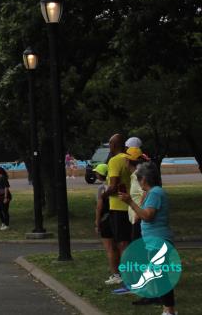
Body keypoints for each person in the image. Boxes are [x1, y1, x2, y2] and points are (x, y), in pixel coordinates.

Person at [120, 160, 176, 312]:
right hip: (154, 240)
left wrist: (130, 202)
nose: (138, 182)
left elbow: (148, 216)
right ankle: (167, 309)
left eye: (138, 179)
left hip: (159, 240)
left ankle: (169, 310)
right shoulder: (153, 193)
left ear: (144, 179)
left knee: (161, 277)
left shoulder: (155, 193)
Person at [102, 133, 133, 285]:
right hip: (130, 206)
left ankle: (127, 277)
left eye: (110, 144)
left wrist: (103, 195)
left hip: (118, 207)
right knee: (126, 241)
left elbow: (113, 186)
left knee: (122, 243)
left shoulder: (114, 161)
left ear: (113, 145)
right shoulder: (129, 159)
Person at [92, 163, 115, 281]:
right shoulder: (114, 186)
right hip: (116, 216)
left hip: (105, 219)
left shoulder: (101, 189)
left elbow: (99, 207)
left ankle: (115, 273)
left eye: (97, 172)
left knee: (109, 249)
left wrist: (97, 222)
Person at [0, 166, 12, 230]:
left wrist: (5, 197)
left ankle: (7, 225)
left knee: (5, 210)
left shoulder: (3, 177)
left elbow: (6, 187)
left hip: (5, 195)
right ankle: (3, 222)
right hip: (1, 195)